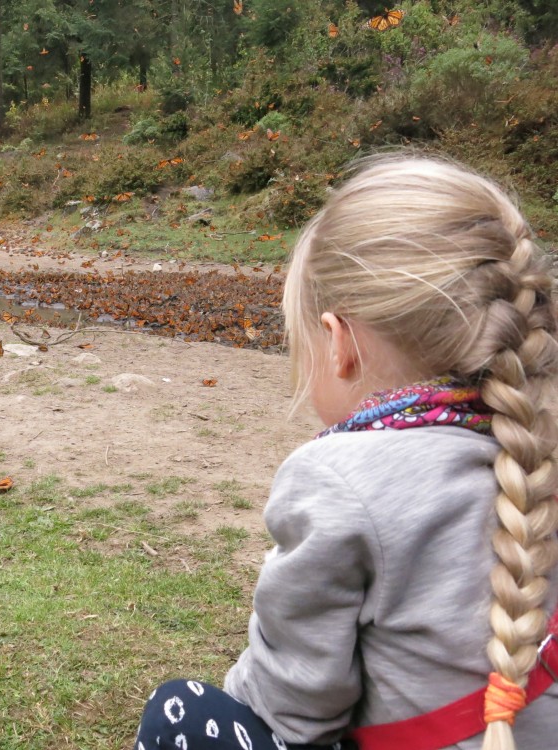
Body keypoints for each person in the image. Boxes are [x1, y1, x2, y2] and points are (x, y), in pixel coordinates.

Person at [134, 155, 558, 750]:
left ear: (338, 344)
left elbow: (294, 711)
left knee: (179, 711)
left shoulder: (338, 479)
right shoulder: (536, 453)